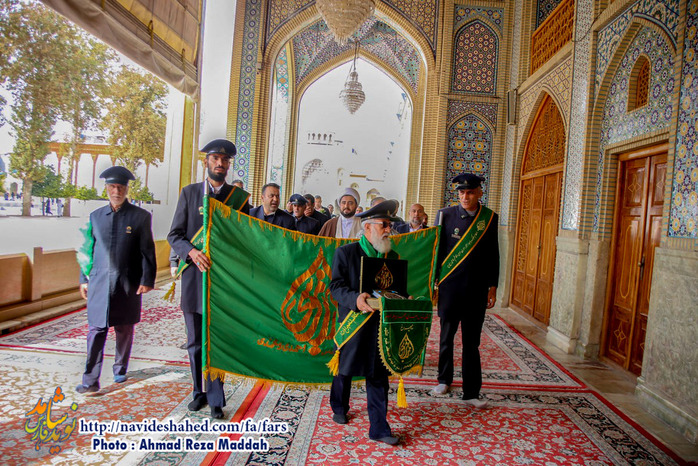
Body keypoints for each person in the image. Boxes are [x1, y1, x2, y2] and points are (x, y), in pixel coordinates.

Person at [168, 138, 250, 419]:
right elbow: (174, 235)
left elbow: (244, 241)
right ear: (206, 162)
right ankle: (198, 393)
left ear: (229, 165)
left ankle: (216, 399)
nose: (220, 163)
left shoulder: (239, 200)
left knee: (216, 343)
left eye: (225, 160)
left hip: (223, 284)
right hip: (194, 281)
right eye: (215, 158)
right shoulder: (189, 193)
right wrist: (191, 252)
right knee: (194, 343)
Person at [76, 166, 156, 394]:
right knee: (96, 330)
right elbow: (87, 250)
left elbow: (147, 251)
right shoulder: (96, 217)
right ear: (106, 189)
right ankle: (90, 381)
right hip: (99, 282)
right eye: (112, 187)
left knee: (124, 328)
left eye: (121, 187)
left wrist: (146, 279)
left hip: (127, 282)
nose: (116, 191)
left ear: (126, 189)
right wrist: (83, 278)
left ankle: (120, 368)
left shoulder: (140, 217)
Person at [329, 199, 402, 445]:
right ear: (368, 227)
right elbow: (335, 287)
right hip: (354, 323)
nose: (388, 230)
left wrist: (403, 298)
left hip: (380, 327)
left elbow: (396, 289)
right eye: (384, 225)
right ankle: (339, 406)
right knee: (344, 370)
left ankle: (379, 428)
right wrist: (355, 298)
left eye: (390, 225)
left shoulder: (392, 256)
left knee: (378, 374)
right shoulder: (346, 253)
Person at [431, 173, 499, 408]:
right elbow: (436, 251)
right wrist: (433, 283)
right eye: (461, 192)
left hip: (476, 291)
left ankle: (471, 392)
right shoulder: (445, 215)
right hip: (450, 289)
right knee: (446, 338)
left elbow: (493, 254)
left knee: (472, 343)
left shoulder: (489, 218)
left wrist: (493, 286)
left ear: (479, 193)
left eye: (470, 192)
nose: (465, 197)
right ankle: (444, 380)